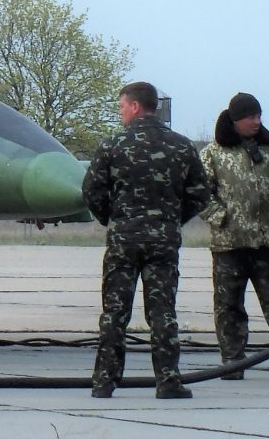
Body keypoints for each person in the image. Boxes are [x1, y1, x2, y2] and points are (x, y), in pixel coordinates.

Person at [82, 81, 211, 400]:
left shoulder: (113, 144)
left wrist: (113, 218)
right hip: (163, 241)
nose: (121, 112)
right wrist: (170, 219)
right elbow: (200, 194)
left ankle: (104, 381)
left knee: (115, 312)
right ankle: (168, 380)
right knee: (163, 312)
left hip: (124, 240)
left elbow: (91, 191)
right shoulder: (182, 146)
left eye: (122, 107)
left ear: (135, 106)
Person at [199, 92, 269, 382]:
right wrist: (220, 217)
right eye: (250, 116)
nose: (256, 121)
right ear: (236, 120)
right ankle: (232, 362)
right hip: (229, 245)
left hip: (267, 244)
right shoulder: (213, 153)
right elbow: (200, 191)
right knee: (229, 308)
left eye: (258, 115)